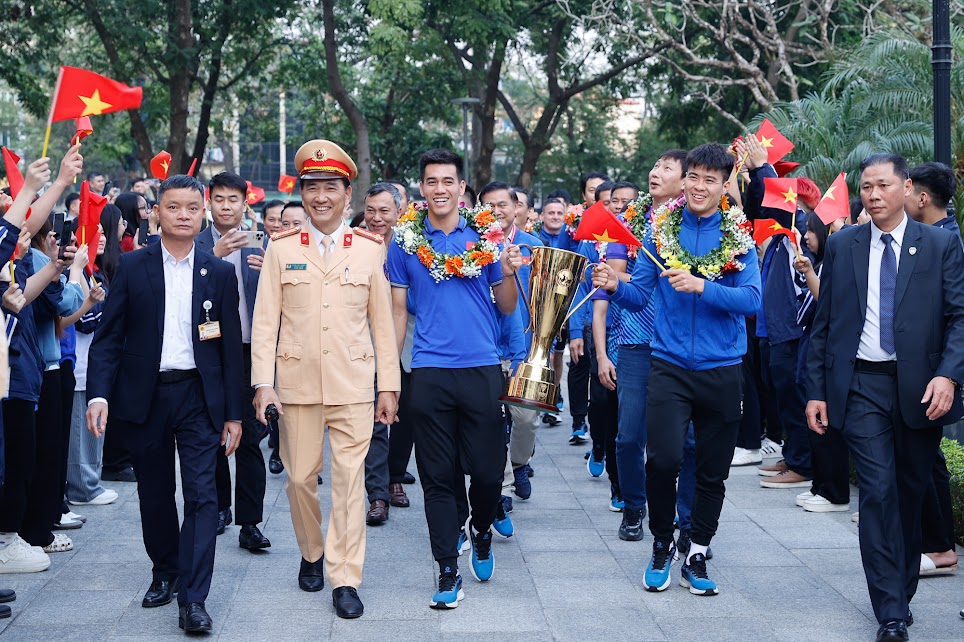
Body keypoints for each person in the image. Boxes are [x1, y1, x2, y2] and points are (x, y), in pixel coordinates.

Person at [805, 153, 964, 642]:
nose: (872, 195)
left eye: (882, 186)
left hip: (921, 387)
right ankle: (890, 611)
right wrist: (816, 390)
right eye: (865, 187)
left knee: (911, 493)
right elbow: (824, 323)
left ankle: (902, 588)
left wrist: (948, 376)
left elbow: (959, 317)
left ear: (906, 187)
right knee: (877, 491)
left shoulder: (938, 245)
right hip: (861, 385)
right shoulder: (845, 244)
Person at [592, 143, 761, 597]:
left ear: (725, 185)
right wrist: (614, 284)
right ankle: (662, 543)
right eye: (694, 177)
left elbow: (751, 300)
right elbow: (641, 295)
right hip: (667, 365)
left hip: (722, 369)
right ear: (683, 180)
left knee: (711, 471)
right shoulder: (661, 229)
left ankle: (698, 550)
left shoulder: (738, 234)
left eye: (711, 179)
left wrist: (703, 286)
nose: (700, 186)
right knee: (662, 459)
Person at [86, 174, 243, 634]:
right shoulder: (134, 267)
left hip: (199, 396)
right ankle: (165, 571)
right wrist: (99, 394)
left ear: (204, 213)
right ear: (157, 212)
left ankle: (194, 599)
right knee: (154, 494)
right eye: (173, 208)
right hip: (145, 396)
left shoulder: (219, 271)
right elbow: (108, 339)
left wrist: (233, 413)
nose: (183, 216)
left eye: (192, 208)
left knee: (202, 496)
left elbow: (231, 349)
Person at [251, 139, 400, 620]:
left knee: (351, 482)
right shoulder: (281, 249)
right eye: (311, 187)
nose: (320, 196)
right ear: (302, 193)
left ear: (347, 193)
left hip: (354, 383)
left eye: (329, 187)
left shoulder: (370, 251)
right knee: (298, 479)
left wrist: (388, 386)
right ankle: (311, 549)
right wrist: (263, 383)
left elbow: (383, 324)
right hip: (295, 384)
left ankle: (345, 576)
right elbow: (264, 323)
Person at [387, 148, 522, 608]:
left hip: (482, 368)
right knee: (437, 478)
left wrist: (505, 272)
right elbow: (399, 309)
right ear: (421, 187)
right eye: (431, 181)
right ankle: (447, 570)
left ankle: (481, 528)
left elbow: (505, 305)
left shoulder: (486, 234)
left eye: (448, 181)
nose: (440, 188)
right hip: (427, 371)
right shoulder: (404, 239)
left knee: (486, 474)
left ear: (461, 188)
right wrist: (388, 370)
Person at [196, 171, 270, 549]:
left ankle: (251, 522)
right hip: (207, 351)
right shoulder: (195, 244)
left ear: (245, 203)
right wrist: (213, 256)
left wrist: (270, 271)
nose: (226, 206)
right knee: (211, 436)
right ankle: (220, 506)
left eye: (233, 200)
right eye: (219, 199)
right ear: (209, 202)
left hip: (248, 350)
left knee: (251, 437)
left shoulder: (265, 243)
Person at [905, 161, 961, 576]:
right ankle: (934, 540)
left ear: (923, 198)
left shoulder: (945, 243)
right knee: (927, 457)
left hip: (936, 367)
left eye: (907, 190)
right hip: (927, 366)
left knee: (927, 459)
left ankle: (940, 545)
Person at [477, 181, 542, 508]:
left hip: (526, 346)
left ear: (516, 208)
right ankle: (501, 490)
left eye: (503, 204)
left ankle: (519, 464)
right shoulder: (473, 245)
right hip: (484, 346)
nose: (497, 211)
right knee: (490, 421)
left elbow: (546, 298)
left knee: (527, 419)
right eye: (489, 205)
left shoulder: (534, 246)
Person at [792, 213, 851, 513]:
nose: (805, 236)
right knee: (814, 417)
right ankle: (821, 485)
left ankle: (834, 491)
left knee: (827, 424)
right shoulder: (826, 260)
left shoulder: (845, 256)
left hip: (833, 352)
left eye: (811, 231)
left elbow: (826, 303)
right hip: (814, 346)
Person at [360, 182, 405, 526]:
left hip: (410, 344)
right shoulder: (353, 243)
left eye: (384, 211)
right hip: (366, 345)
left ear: (399, 212)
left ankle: (395, 477)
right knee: (376, 421)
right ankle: (377, 495)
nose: (376, 218)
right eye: (371, 210)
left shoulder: (411, 246)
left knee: (406, 419)